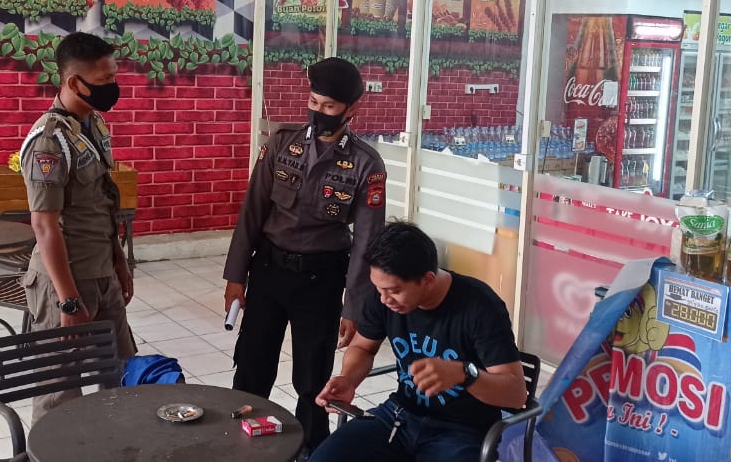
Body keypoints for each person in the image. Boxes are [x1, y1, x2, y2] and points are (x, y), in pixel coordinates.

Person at [223, 57, 387, 452]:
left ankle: (313, 450)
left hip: (321, 280)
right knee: (253, 364)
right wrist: (235, 276)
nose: (318, 111)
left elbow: (366, 242)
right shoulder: (282, 143)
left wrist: (354, 307)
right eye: (314, 101)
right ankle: (239, 445)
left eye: (329, 106)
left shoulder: (366, 164)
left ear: (351, 109)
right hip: (269, 271)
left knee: (313, 378)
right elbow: (252, 212)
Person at [310, 222, 528, 462]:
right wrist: (348, 379)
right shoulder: (384, 295)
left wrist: (464, 374)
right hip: (398, 416)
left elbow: (516, 394)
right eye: (379, 289)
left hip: (461, 432)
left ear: (428, 279)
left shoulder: (480, 307)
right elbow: (363, 347)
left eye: (394, 291)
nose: (384, 299)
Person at [19, 32, 137, 421]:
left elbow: (102, 204)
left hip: (102, 273)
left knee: (121, 376)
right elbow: (44, 226)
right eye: (105, 80)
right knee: (59, 394)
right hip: (64, 283)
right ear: (74, 82)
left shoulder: (93, 126)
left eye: (114, 76)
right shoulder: (49, 142)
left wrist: (118, 262)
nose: (113, 86)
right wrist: (68, 301)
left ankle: (115, 446)